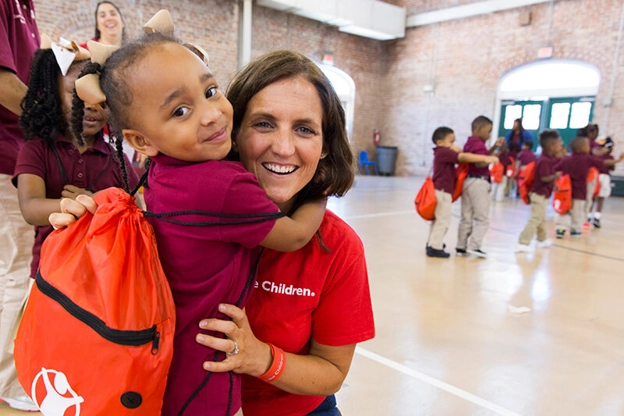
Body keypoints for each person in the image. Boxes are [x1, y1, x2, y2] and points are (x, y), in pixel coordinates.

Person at [52, 49, 375, 416]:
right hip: (177, 397)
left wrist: (260, 359)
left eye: (304, 129)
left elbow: (332, 373)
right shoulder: (156, 216)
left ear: (325, 145)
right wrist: (86, 242)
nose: (284, 148)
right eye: (264, 124)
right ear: (234, 131)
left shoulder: (338, 246)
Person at [14, 39, 138, 282]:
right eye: (77, 93)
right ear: (54, 94)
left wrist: (97, 203)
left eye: (100, 97)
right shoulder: (37, 150)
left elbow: (138, 212)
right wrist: (78, 206)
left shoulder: (118, 160)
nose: (91, 106)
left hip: (104, 279)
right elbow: (31, 208)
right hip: (50, 275)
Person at [0, 0, 41, 410]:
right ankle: (10, 382)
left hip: (16, 151)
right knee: (15, 272)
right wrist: (59, 122)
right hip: (5, 156)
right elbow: (4, 83)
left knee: (9, 270)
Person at [426, 127, 498, 258]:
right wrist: (486, 158)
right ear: (440, 142)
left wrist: (454, 147)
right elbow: (463, 156)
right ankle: (435, 246)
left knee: (438, 219)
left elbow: (460, 153)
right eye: (451, 142)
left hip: (441, 190)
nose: (453, 145)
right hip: (443, 191)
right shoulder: (443, 152)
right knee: (443, 220)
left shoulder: (442, 152)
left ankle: (432, 242)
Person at [555, 136, 624, 238]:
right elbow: (604, 163)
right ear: (581, 148)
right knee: (577, 212)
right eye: (587, 145)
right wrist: (618, 160)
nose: (589, 147)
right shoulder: (587, 159)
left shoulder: (567, 159)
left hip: (565, 191)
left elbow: (556, 169)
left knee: (564, 210)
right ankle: (575, 230)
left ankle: (560, 228)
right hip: (580, 192)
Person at [456, 116, 504, 258]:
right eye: (488, 131)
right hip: (479, 182)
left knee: (466, 216)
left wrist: (494, 147)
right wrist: (491, 160)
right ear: (479, 129)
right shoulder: (479, 145)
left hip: (467, 181)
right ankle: (474, 246)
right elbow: (480, 163)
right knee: (482, 218)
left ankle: (461, 246)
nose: (489, 135)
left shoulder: (470, 143)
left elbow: (480, 157)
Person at [515, 130, 563, 252]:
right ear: (551, 146)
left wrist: (553, 185)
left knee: (541, 218)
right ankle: (523, 242)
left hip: (542, 193)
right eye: (559, 143)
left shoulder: (547, 159)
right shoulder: (544, 160)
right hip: (538, 194)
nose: (561, 146)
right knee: (536, 218)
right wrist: (555, 177)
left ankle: (542, 240)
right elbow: (543, 178)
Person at [588, 137, 615, 228]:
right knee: (600, 199)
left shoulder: (596, 155)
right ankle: (596, 217)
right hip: (601, 177)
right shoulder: (609, 157)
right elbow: (613, 168)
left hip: (595, 177)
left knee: (593, 198)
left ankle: (590, 217)